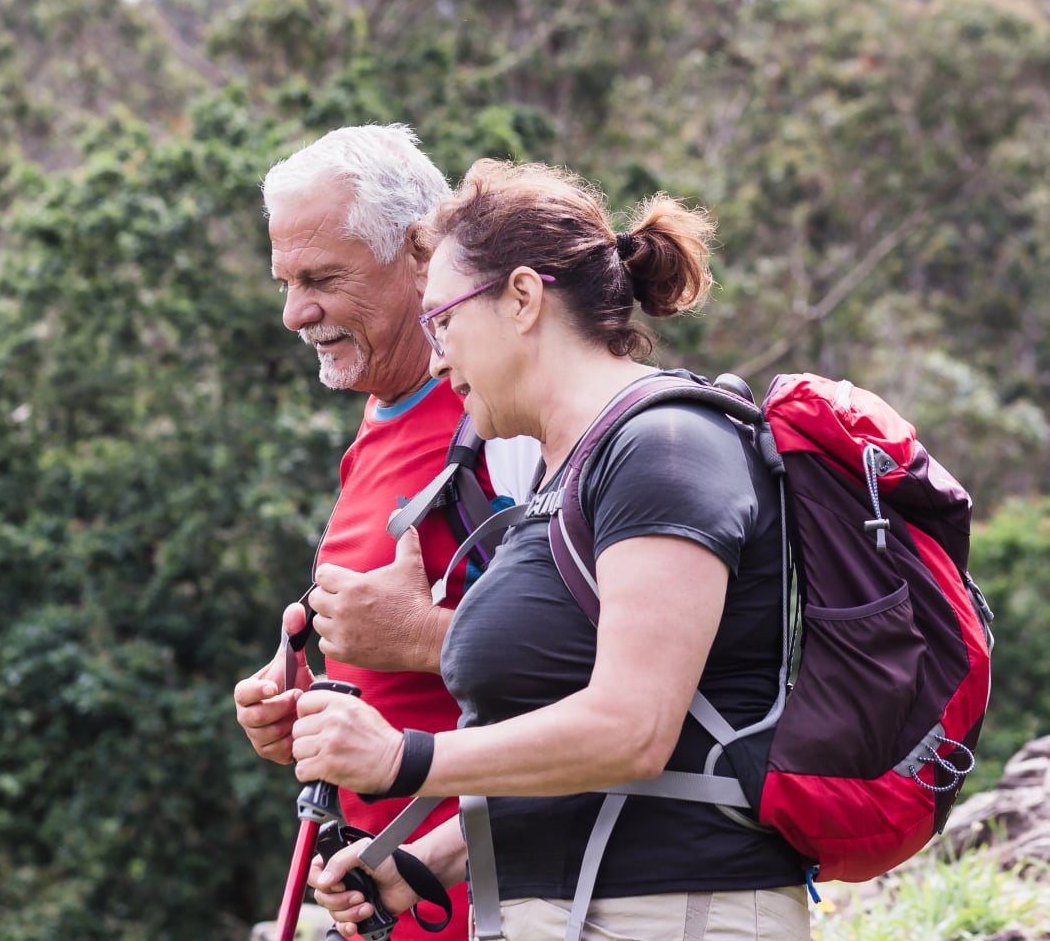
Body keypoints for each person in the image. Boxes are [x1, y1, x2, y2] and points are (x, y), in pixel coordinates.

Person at [291, 159, 811, 941]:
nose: (436, 358)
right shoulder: (559, 476)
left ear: (523, 298)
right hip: (572, 911)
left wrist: (406, 757)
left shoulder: (666, 448)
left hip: (677, 914)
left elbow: (634, 730)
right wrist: (419, 861)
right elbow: (577, 758)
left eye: (443, 323)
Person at [234, 126, 537, 941]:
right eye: (286, 282)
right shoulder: (380, 413)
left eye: (321, 279)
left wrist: (415, 637)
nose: (295, 313)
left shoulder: (505, 420)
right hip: (386, 904)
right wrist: (314, 697)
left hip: (497, 903)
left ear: (418, 253)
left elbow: (611, 673)